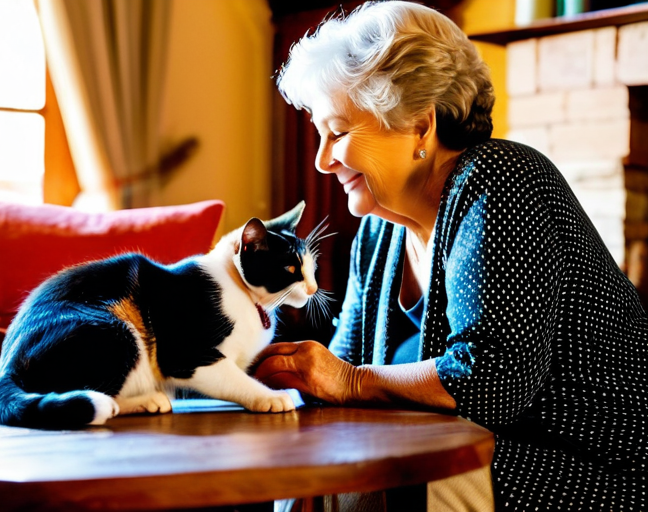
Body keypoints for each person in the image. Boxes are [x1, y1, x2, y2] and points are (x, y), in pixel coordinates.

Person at [252, 1, 648, 511]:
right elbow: (338, 376)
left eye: (339, 132)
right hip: (467, 457)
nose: (323, 159)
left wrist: (347, 380)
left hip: (587, 471)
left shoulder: (502, 181)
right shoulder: (379, 233)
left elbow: (489, 383)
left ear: (419, 125)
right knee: (312, 471)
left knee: (381, 481)